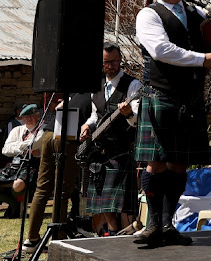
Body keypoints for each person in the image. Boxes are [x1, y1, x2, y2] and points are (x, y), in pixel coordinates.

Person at [134, 0, 211, 247]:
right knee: (155, 163)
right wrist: (203, 59)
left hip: (190, 99)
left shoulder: (197, 13)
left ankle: (168, 224)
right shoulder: (148, 15)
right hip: (161, 94)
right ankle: (152, 224)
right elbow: (161, 50)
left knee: (179, 165)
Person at [79, 42, 142, 236]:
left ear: (121, 59)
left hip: (122, 149)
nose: (111, 66)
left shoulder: (133, 85)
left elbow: (137, 120)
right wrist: (87, 126)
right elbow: (95, 116)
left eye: (114, 61)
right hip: (99, 151)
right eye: (107, 62)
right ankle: (114, 232)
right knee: (102, 198)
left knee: (121, 201)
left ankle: (124, 232)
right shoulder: (96, 86)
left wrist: (129, 113)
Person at [22, 93, 92, 253]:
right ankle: (58, 239)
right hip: (66, 139)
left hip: (48, 135)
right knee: (62, 192)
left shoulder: (75, 94)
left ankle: (31, 239)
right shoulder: (98, 95)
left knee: (42, 188)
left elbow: (59, 107)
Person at [0, 104, 47, 218]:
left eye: (32, 116)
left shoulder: (43, 129)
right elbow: (5, 150)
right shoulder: (17, 130)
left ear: (37, 115)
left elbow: (36, 146)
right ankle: (14, 204)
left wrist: (16, 146)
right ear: (22, 118)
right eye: (26, 117)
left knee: (18, 185)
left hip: (33, 164)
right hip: (15, 164)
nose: (29, 119)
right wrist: (23, 148)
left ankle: (17, 204)